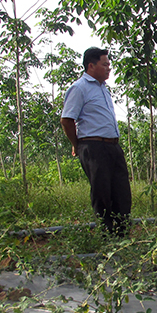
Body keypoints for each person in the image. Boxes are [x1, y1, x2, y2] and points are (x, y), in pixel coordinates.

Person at [60, 47, 131, 237]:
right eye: (105, 64)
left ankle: (122, 233)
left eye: (109, 64)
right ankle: (107, 234)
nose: (109, 68)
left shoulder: (103, 89)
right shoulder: (79, 88)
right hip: (93, 146)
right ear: (91, 66)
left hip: (112, 146)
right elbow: (67, 119)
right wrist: (77, 145)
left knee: (122, 190)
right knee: (102, 192)